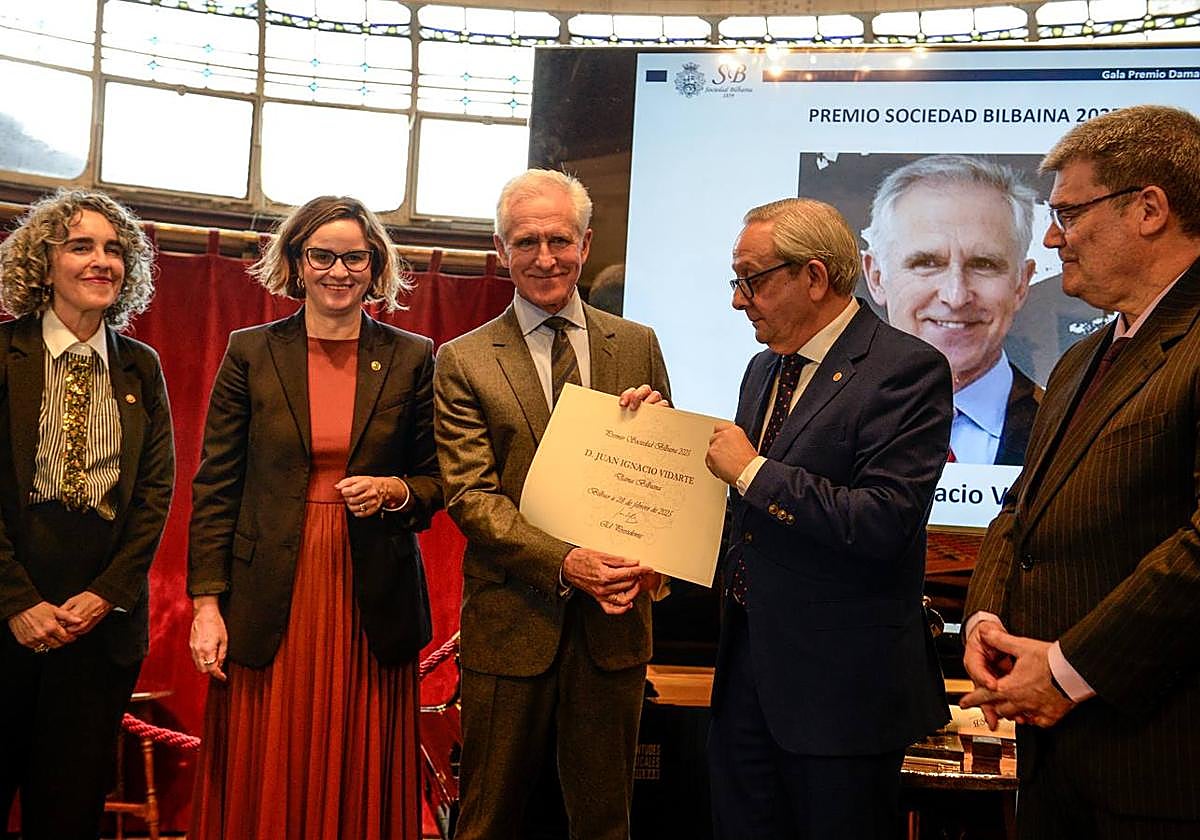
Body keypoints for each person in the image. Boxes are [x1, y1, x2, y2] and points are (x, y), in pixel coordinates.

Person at [960, 106, 1200, 838]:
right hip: (1055, 765)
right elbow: (1020, 510)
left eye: (1068, 213)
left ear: (1149, 209)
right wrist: (986, 618)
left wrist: (1068, 670)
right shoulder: (1078, 361)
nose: (1053, 237)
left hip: (1159, 770)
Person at [187, 195, 441, 839]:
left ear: (375, 265)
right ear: (297, 263)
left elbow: (438, 481)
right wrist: (207, 605)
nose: (338, 271)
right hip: (271, 589)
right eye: (322, 256)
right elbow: (216, 485)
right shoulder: (250, 351)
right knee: (271, 754)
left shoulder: (413, 355)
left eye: (354, 257)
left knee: (357, 752)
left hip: (369, 591)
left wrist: (393, 490)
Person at [704, 197, 952, 839]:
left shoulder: (906, 369)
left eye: (751, 280)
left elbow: (882, 521)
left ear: (814, 276)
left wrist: (752, 471)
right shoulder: (764, 368)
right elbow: (747, 516)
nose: (738, 301)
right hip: (746, 678)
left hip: (841, 698)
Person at [433, 168, 669, 840]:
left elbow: (661, 484)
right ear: (501, 249)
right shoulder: (464, 360)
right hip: (511, 625)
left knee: (605, 825)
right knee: (488, 822)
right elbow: (471, 497)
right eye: (526, 242)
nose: (545, 258)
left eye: (559, 240)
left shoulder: (638, 345)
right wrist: (567, 563)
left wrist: (656, 435)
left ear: (586, 244)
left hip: (613, 630)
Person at [0, 189, 174, 839]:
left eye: (114, 249)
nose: (102, 261)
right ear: (43, 265)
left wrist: (107, 594)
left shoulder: (141, 366)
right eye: (81, 246)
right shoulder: (4, 353)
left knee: (69, 810)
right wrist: (17, 601)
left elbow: (155, 493)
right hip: (6, 606)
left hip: (100, 625)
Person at [863, 154, 1040, 465]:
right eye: (927, 263)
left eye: (983, 264)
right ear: (877, 277)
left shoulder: (1070, 426)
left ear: (1021, 284)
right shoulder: (815, 422)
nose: (956, 297)